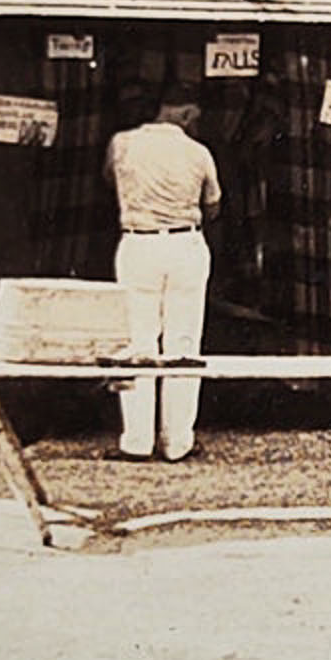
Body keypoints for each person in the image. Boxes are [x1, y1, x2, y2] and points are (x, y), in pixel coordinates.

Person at [102, 82, 221, 462]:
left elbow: (110, 180)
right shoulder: (199, 152)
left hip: (138, 242)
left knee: (138, 341)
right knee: (183, 344)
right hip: (186, 244)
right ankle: (178, 442)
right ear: (185, 114)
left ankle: (136, 441)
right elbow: (213, 204)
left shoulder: (121, 144)